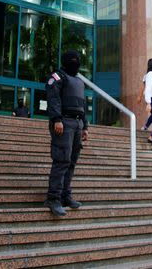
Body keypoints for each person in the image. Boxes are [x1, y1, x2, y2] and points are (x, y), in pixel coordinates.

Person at [44, 50, 89, 217]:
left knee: (71, 162)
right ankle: (53, 198)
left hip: (77, 124)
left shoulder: (79, 81)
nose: (75, 62)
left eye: (77, 60)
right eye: (72, 60)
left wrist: (85, 126)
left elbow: (82, 104)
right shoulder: (57, 76)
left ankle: (65, 195)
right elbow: (53, 97)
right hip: (63, 122)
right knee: (62, 160)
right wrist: (56, 119)